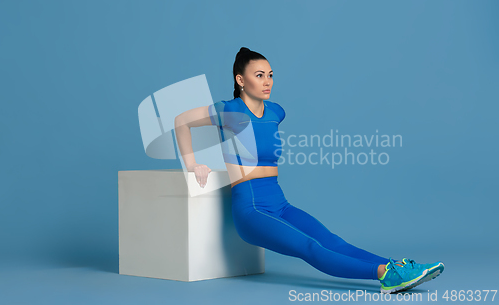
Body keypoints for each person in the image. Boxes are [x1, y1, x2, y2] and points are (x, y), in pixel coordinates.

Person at [174, 47, 444, 294]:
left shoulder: (275, 112)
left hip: (279, 203)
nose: (267, 81)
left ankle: (398, 267)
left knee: (333, 241)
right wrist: (192, 164)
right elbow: (181, 121)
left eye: (270, 75)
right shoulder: (229, 111)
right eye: (259, 75)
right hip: (251, 209)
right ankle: (385, 275)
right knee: (310, 247)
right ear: (241, 80)